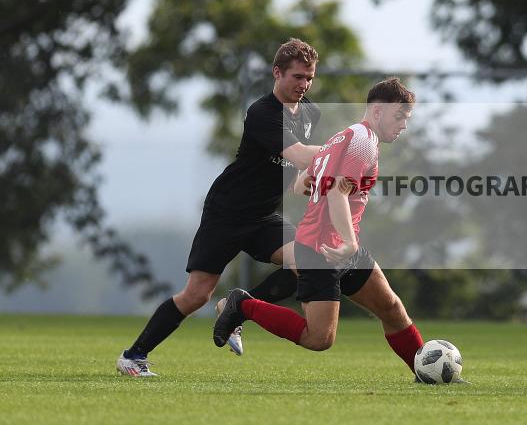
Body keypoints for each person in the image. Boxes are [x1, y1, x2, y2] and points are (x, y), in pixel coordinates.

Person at [116, 39, 323, 377]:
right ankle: (133, 356)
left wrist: (306, 183)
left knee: (308, 262)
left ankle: (236, 308)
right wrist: (342, 150)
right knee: (197, 295)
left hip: (263, 216)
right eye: (297, 77)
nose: (304, 85)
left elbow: (295, 169)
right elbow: (299, 155)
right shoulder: (262, 113)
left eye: (309, 78)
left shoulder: (310, 113)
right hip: (227, 212)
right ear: (277, 73)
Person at [213, 78, 425, 378]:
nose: (404, 125)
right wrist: (348, 241)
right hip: (322, 250)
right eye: (400, 116)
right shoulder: (363, 142)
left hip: (340, 245)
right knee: (319, 338)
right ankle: (243, 305)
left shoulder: (341, 139)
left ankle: (425, 370)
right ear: (378, 111)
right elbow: (337, 191)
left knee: (391, 308)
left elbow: (301, 185)